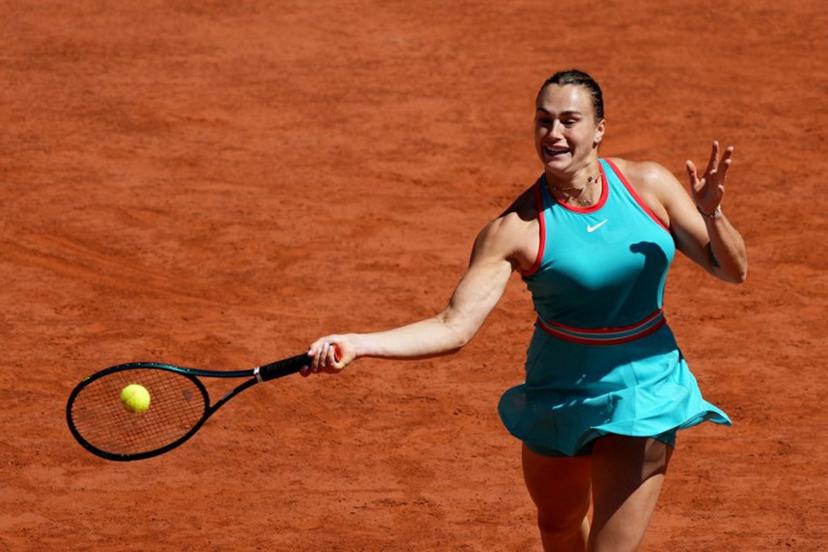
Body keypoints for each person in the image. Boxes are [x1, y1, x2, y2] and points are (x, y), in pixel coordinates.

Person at [302, 69, 748, 552]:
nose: (554, 134)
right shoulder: (514, 230)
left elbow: (731, 269)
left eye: (570, 121)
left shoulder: (649, 184)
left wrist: (711, 214)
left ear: (599, 128)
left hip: (645, 389)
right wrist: (358, 344)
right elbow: (454, 327)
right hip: (558, 388)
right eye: (544, 121)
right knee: (557, 526)